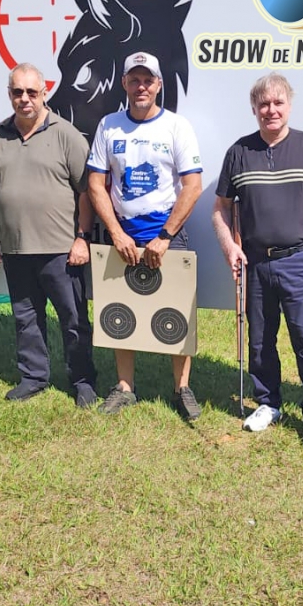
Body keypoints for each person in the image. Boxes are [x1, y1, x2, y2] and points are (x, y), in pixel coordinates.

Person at [212, 73, 303, 451]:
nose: (271, 110)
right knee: (260, 340)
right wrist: (228, 246)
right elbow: (220, 208)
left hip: (300, 260)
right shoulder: (239, 151)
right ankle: (268, 403)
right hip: (255, 263)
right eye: (263, 104)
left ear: (289, 104)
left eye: (278, 103)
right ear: (254, 109)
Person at [86, 52, 204, 420]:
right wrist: (116, 232)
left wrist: (166, 235)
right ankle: (124, 387)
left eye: (148, 80)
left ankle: (182, 388)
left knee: (176, 311)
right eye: (134, 80)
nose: (141, 87)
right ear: (124, 83)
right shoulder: (109, 125)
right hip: (124, 234)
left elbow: (193, 185)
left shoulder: (176, 126)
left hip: (167, 236)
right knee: (120, 312)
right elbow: (95, 183)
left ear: (159, 85)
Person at [0, 63, 97, 407]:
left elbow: (87, 191)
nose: (25, 99)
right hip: (16, 248)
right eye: (18, 92)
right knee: (25, 318)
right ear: (9, 94)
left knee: (73, 319)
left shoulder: (66, 134)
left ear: (44, 92)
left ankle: (83, 380)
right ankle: (33, 376)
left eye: (32, 92)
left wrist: (81, 237)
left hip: (61, 249)